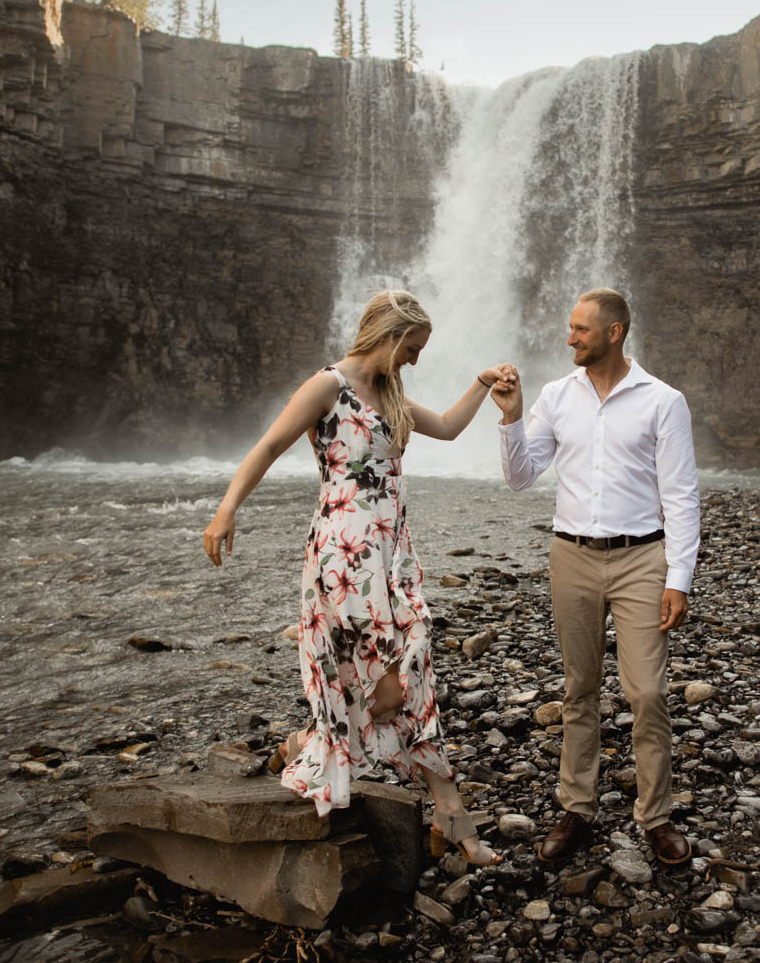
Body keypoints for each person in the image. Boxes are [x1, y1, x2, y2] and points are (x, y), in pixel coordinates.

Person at [202, 290, 515, 866]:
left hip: (393, 554)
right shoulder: (328, 386)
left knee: (405, 667)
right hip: (344, 557)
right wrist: (227, 510)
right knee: (386, 676)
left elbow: (445, 427)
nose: (417, 360)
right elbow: (269, 444)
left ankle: (310, 745)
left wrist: (481, 382)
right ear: (390, 336)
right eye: (414, 348)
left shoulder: (391, 393)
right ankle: (449, 811)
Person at [492, 287, 700, 866]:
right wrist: (511, 418)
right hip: (572, 556)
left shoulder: (663, 401)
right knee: (579, 689)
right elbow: (520, 477)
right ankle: (577, 808)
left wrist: (678, 577)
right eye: (569, 327)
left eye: (581, 329)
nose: (569, 337)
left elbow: (680, 496)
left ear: (614, 333)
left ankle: (655, 817)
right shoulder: (557, 397)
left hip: (642, 560)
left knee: (648, 693)